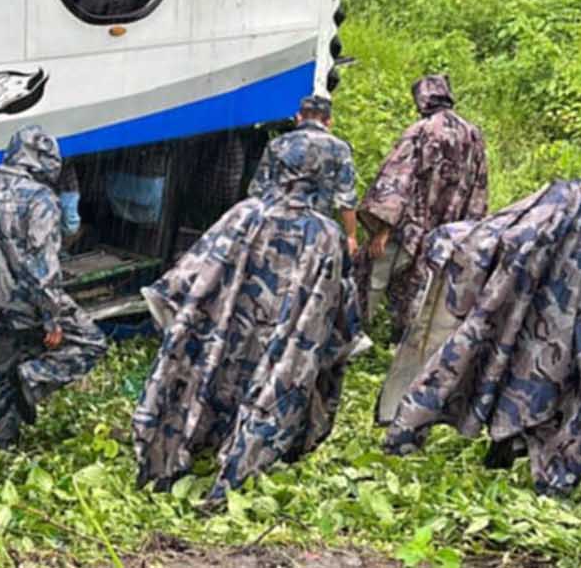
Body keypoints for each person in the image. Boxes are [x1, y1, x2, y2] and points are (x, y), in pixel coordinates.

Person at [381, 123, 581, 497]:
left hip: (543, 324)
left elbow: (509, 235)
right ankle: (553, 482)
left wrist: (449, 241)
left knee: (475, 363)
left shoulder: (565, 198)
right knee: (579, 398)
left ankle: (404, 437)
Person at [134, 104, 359, 506]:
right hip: (287, 316)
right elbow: (337, 308)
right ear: (328, 119)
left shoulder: (245, 215)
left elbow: (196, 270)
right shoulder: (326, 233)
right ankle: (241, 462)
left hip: (236, 317)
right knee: (274, 368)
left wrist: (176, 307)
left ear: (297, 117)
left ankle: (189, 445)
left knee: (224, 363)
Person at [0, 126, 108, 448]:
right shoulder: (41, 198)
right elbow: (42, 261)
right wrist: (51, 315)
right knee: (91, 342)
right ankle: (32, 378)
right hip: (31, 301)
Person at [355, 75, 488, 346]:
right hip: (452, 231)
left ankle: (355, 334)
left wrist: (382, 228)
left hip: (410, 227)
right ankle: (406, 344)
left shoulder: (421, 130)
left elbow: (397, 180)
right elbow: (480, 186)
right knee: (426, 287)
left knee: (372, 275)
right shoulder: (473, 135)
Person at [248, 94, 359, 255]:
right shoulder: (339, 149)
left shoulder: (277, 144)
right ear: (328, 122)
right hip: (314, 231)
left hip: (273, 225)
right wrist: (351, 236)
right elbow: (346, 198)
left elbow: (258, 190)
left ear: (298, 117)